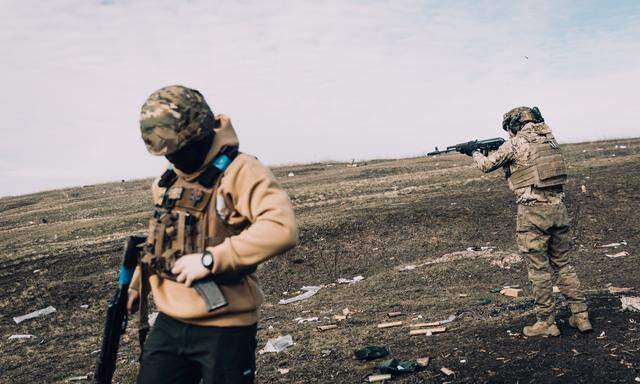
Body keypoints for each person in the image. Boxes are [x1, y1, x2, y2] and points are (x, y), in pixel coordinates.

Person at [127, 85, 298, 383]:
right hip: (169, 322)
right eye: (166, 153)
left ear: (200, 134)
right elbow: (161, 242)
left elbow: (281, 227)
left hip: (226, 326)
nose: (174, 161)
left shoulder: (241, 170)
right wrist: (136, 286)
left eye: (178, 150)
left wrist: (209, 260)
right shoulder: (166, 183)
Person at [458, 106, 592, 337]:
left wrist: (474, 151)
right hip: (558, 209)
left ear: (513, 125)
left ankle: (547, 323)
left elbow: (486, 166)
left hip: (532, 213)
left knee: (539, 270)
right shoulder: (550, 142)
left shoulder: (515, 144)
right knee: (563, 265)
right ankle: (580, 316)